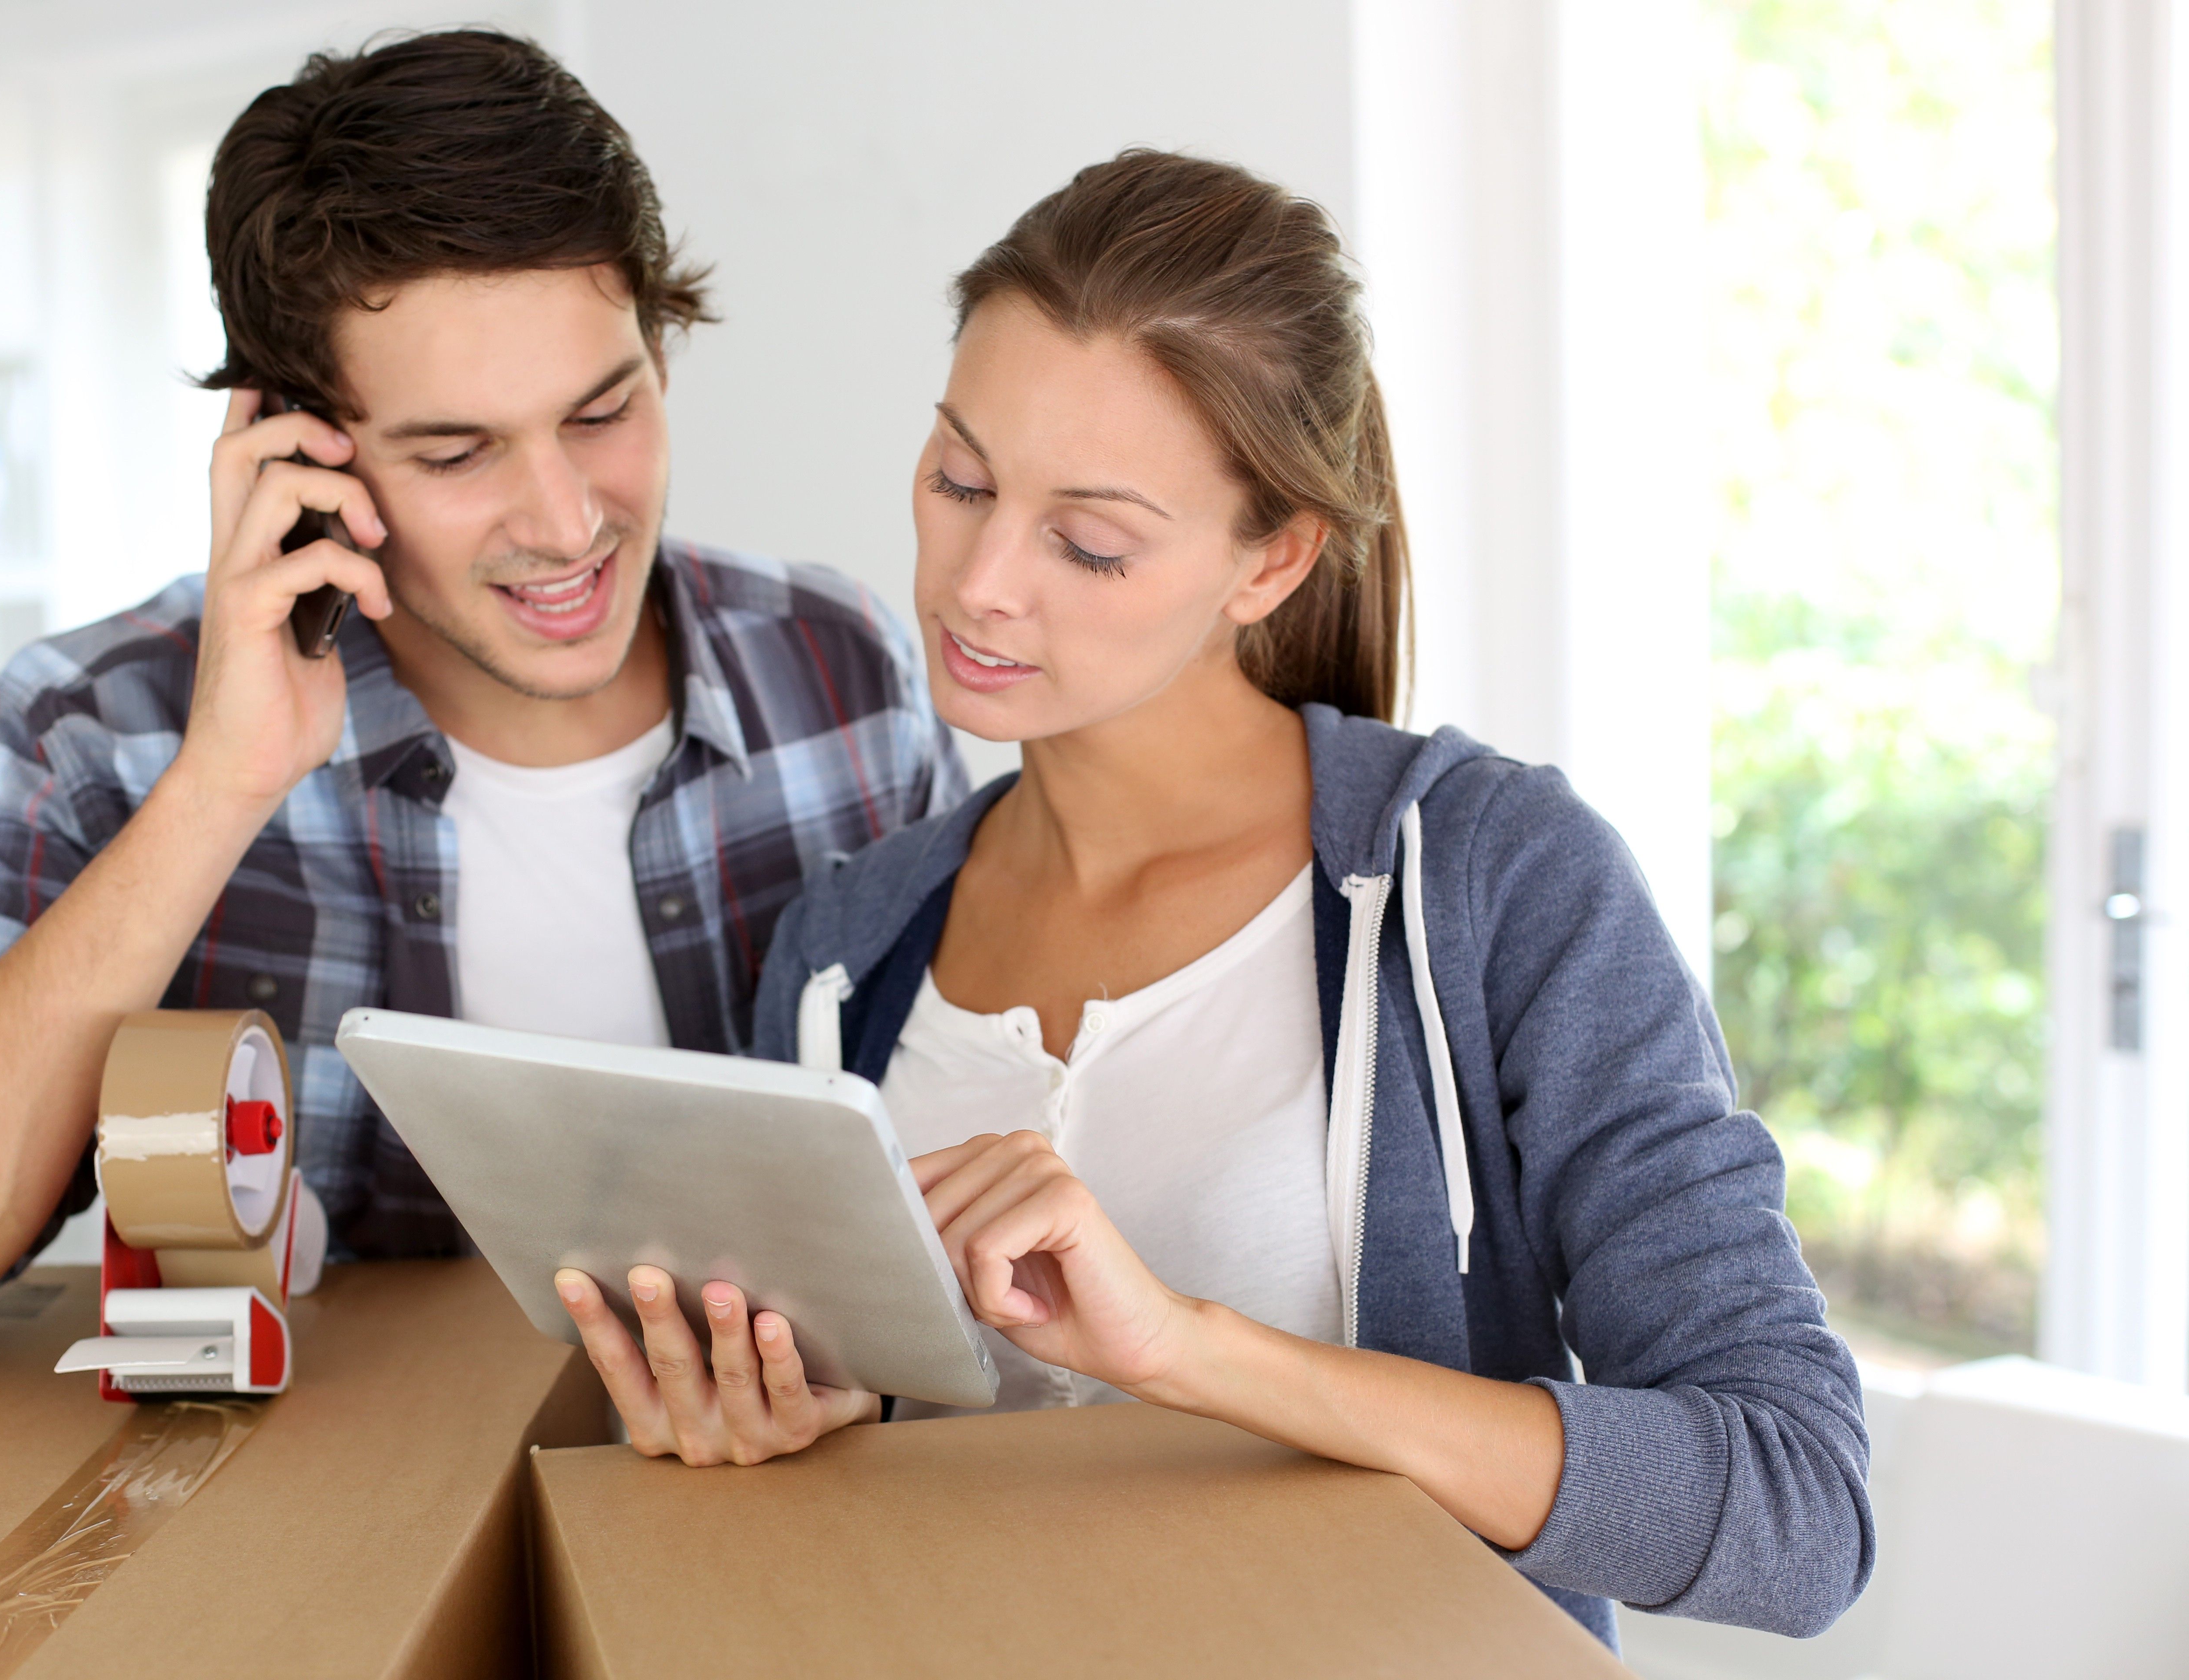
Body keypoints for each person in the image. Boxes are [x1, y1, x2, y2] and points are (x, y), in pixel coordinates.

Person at [552, 150, 1871, 1648]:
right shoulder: (846, 945)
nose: (980, 582)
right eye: (961, 480)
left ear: (1275, 559)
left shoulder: (1497, 882)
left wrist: (1189, 1349)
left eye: (1090, 542)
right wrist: (793, 1413)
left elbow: (1795, 1509)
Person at [0, 29, 963, 1378]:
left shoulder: (842, 675)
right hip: (350, 1546)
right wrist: (222, 786)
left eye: (601, 411)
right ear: (298, 451)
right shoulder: (106, 726)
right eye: (458, 452)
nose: (567, 522)